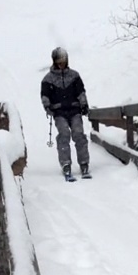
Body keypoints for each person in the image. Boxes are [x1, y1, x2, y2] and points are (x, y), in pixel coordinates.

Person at [40, 47, 91, 179]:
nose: (61, 63)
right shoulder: (48, 79)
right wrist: (48, 107)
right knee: (64, 134)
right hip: (59, 111)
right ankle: (66, 164)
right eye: (59, 60)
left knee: (78, 133)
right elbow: (45, 95)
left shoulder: (74, 76)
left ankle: (84, 163)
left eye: (63, 60)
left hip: (74, 109)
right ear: (54, 61)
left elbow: (81, 91)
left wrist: (84, 104)